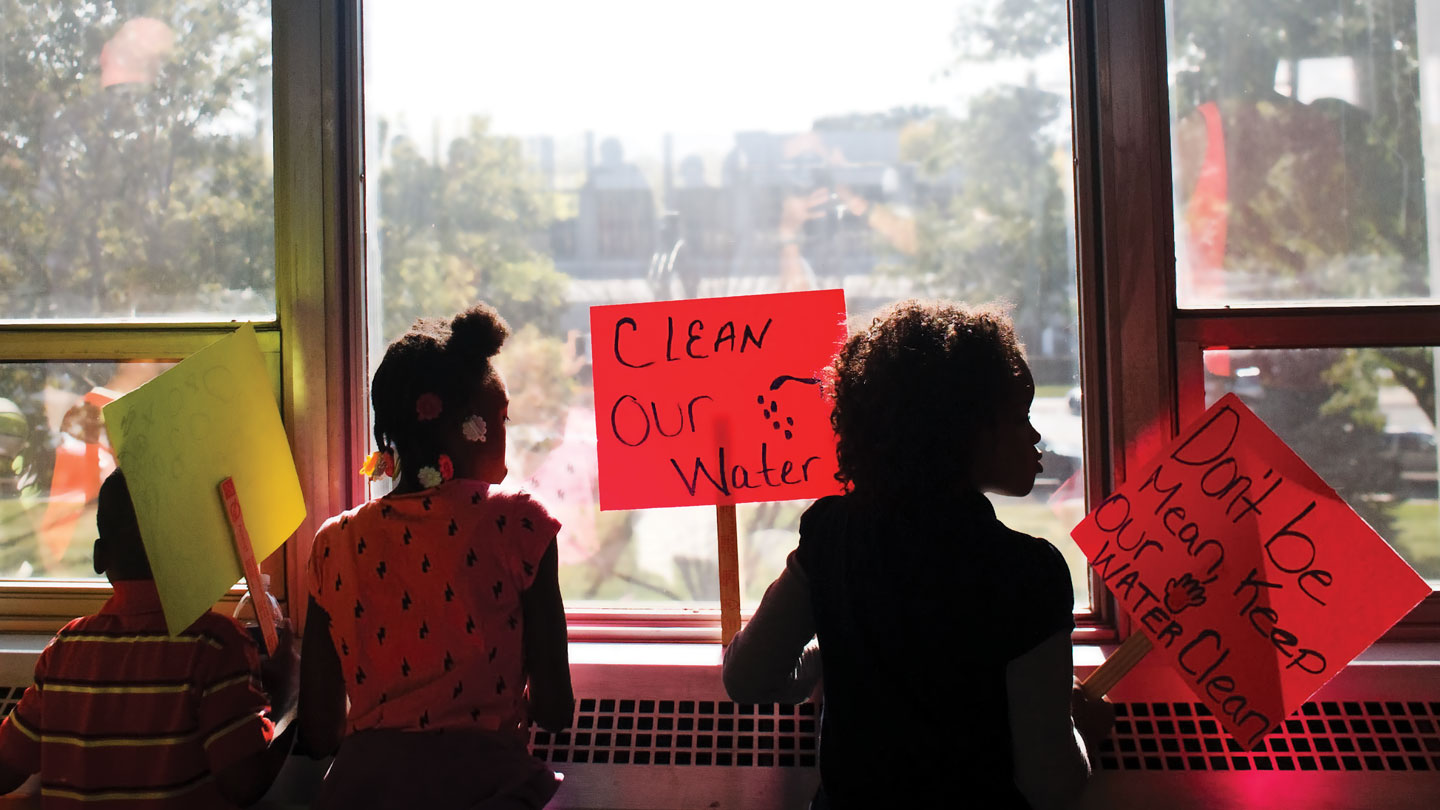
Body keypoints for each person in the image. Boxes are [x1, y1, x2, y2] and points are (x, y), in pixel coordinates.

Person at [722, 300, 1113, 809]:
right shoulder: (1028, 573)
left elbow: (748, 676)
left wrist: (830, 652)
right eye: (1021, 417)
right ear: (964, 434)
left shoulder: (832, 534)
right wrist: (1080, 724)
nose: (1037, 436)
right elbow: (1052, 783)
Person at [300, 302, 573, 809]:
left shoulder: (332, 545)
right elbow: (556, 709)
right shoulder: (520, 526)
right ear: (466, 428)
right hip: (489, 788)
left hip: (361, 794)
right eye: (502, 418)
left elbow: (318, 735)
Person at [0, 469, 297, 807]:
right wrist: (287, 695)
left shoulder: (65, 649)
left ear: (100, 557)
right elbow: (244, 782)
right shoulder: (214, 646)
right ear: (197, 554)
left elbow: (5, 769)